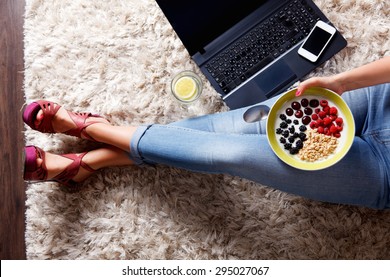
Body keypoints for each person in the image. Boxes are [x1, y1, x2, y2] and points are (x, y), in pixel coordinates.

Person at [23, 56, 390, 209]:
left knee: (232, 153)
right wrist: (341, 83)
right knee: (229, 127)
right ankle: (92, 161)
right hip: (376, 99)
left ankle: (97, 131)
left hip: (382, 171)